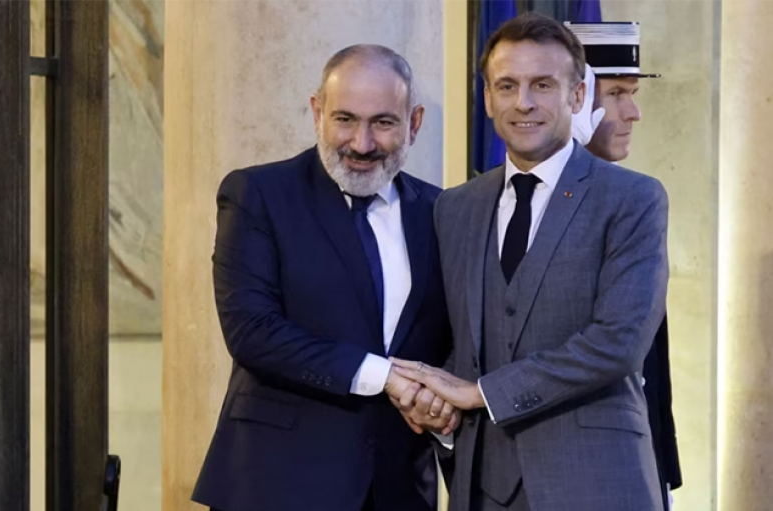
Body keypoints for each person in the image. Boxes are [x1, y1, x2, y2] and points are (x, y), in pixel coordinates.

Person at [392, 12, 668, 511]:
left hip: (595, 483)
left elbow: (619, 342)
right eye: (507, 86)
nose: (523, 102)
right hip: (479, 484)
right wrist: (433, 402)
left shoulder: (632, 199)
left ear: (577, 96)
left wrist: (482, 394)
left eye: (542, 85)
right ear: (488, 98)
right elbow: (455, 340)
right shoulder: (454, 208)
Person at [191, 44, 456, 511]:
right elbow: (252, 331)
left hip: (398, 490)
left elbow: (454, 342)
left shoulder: (444, 213)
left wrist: (442, 407)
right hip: (275, 486)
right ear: (317, 113)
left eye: (383, 122)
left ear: (414, 123)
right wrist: (385, 376)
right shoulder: (259, 195)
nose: (362, 143)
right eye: (345, 119)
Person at [567, 21, 682, 510]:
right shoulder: (516, 205)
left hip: (636, 462)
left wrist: (661, 471)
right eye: (615, 93)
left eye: (632, 93)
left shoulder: (635, 199)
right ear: (575, 99)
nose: (633, 113)